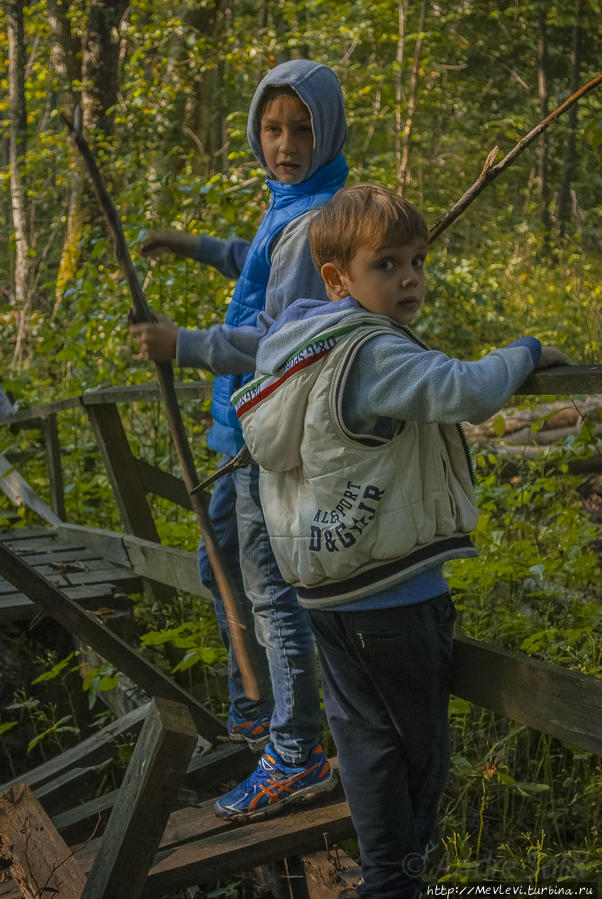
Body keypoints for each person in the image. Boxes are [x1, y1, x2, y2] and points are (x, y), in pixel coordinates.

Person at [233, 184, 571, 897]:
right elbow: (467, 390)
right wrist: (526, 349)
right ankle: (395, 882)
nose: (410, 277)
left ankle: (385, 875)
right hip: (393, 595)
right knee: (419, 756)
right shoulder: (372, 352)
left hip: (329, 589)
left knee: (364, 744)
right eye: (386, 264)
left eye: (416, 259)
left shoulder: (301, 347)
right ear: (337, 279)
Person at [130, 59, 348, 819]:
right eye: (271, 126)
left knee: (270, 594)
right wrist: (192, 244)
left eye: (301, 128)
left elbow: (272, 335)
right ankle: (255, 717)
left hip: (264, 430)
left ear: (328, 132)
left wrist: (180, 343)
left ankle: (295, 750)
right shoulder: (290, 203)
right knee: (218, 565)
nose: (283, 143)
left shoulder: (320, 214)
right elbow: (254, 262)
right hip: (236, 428)